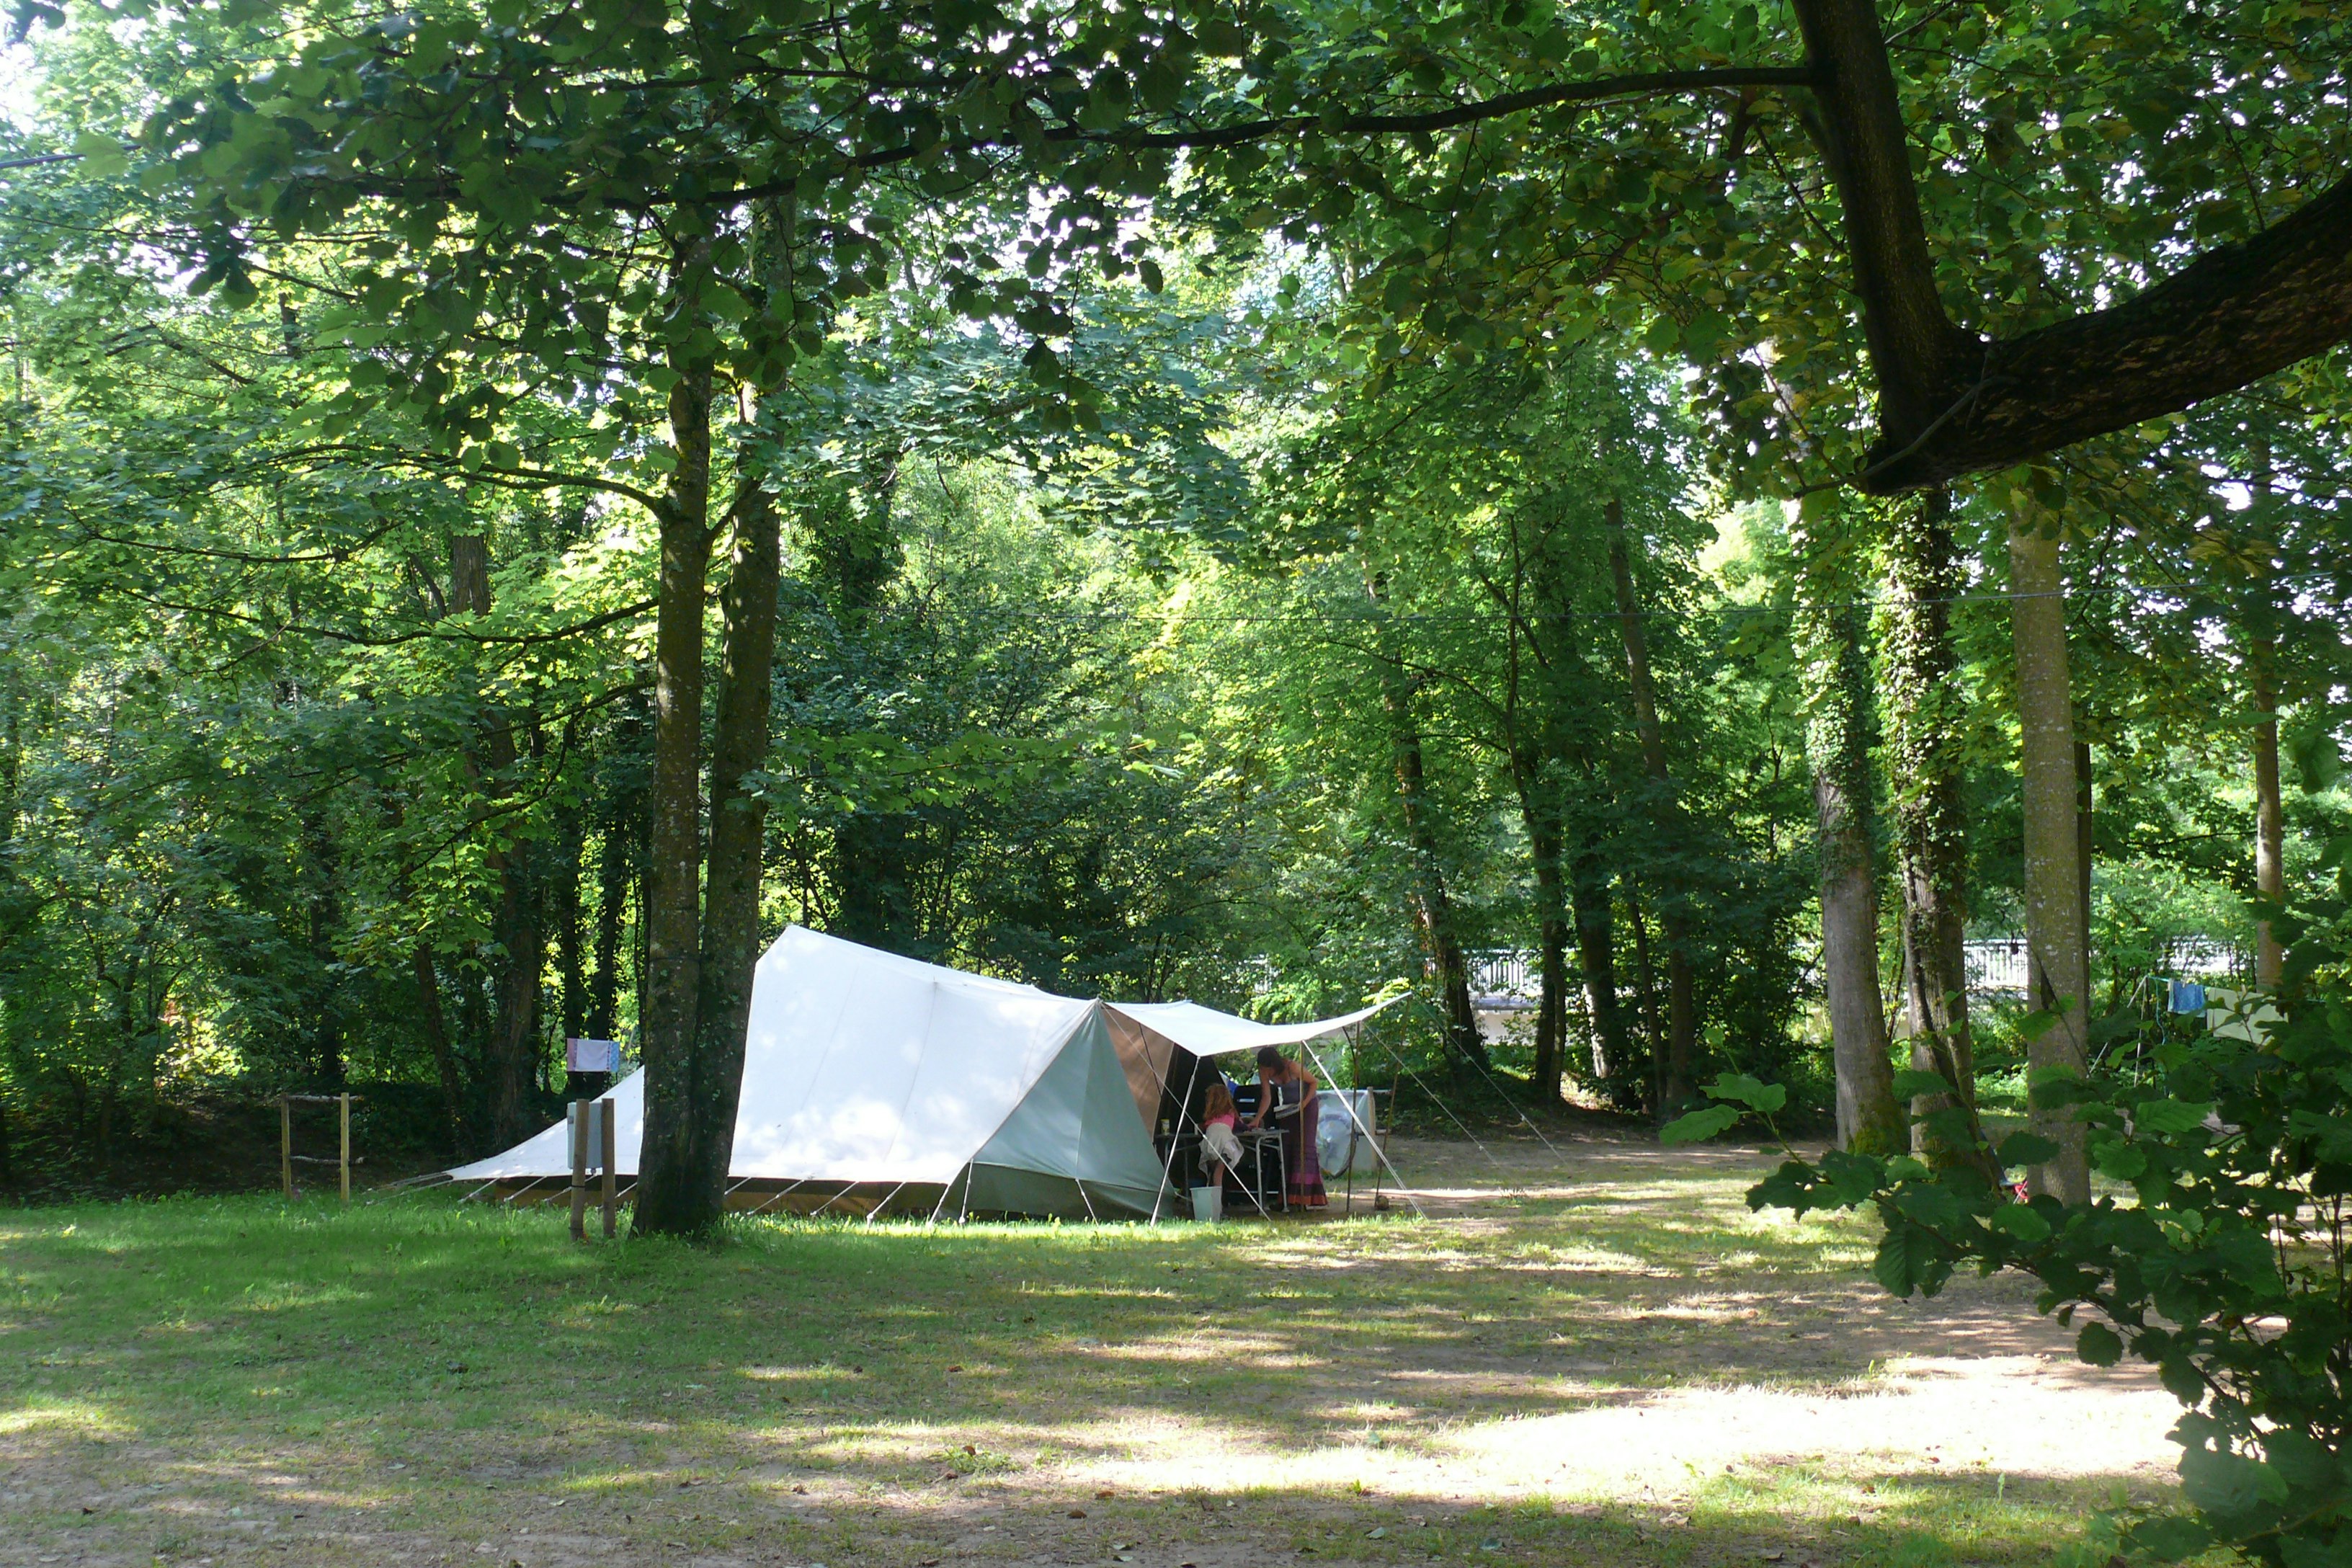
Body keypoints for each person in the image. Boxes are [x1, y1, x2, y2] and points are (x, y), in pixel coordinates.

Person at [1247, 1046, 1327, 1209]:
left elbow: (1313, 1083)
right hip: (1289, 1109)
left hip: (1307, 1107)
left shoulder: (1293, 1067)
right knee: (1287, 1148)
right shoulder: (1264, 1072)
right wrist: (1257, 1119)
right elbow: (1266, 1097)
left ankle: (1305, 1198)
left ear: (1273, 1065)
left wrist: (1303, 1104)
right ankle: (1287, 1198)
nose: (1265, 1072)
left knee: (1304, 1149)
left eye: (1267, 1069)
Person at [1197, 1077, 1244, 1190]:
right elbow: (1240, 1126)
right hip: (1227, 1146)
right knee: (1219, 1172)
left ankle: (1214, 1201)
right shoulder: (1231, 1113)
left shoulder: (1210, 1117)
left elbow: (1203, 1128)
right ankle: (1217, 1204)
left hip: (1211, 1146)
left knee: (1214, 1172)